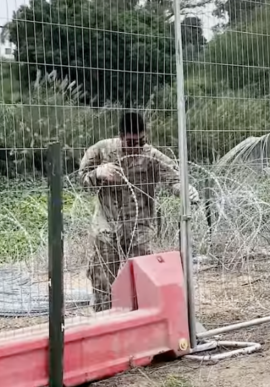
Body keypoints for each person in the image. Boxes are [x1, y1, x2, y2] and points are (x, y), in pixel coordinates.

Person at [78, 111, 199, 311]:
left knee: (144, 277)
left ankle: (142, 317)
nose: (136, 147)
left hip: (139, 224)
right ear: (121, 137)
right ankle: (104, 318)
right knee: (102, 277)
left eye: (141, 141)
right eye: (131, 142)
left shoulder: (150, 155)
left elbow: (174, 180)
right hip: (108, 224)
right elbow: (80, 181)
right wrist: (97, 173)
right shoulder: (101, 150)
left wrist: (186, 191)